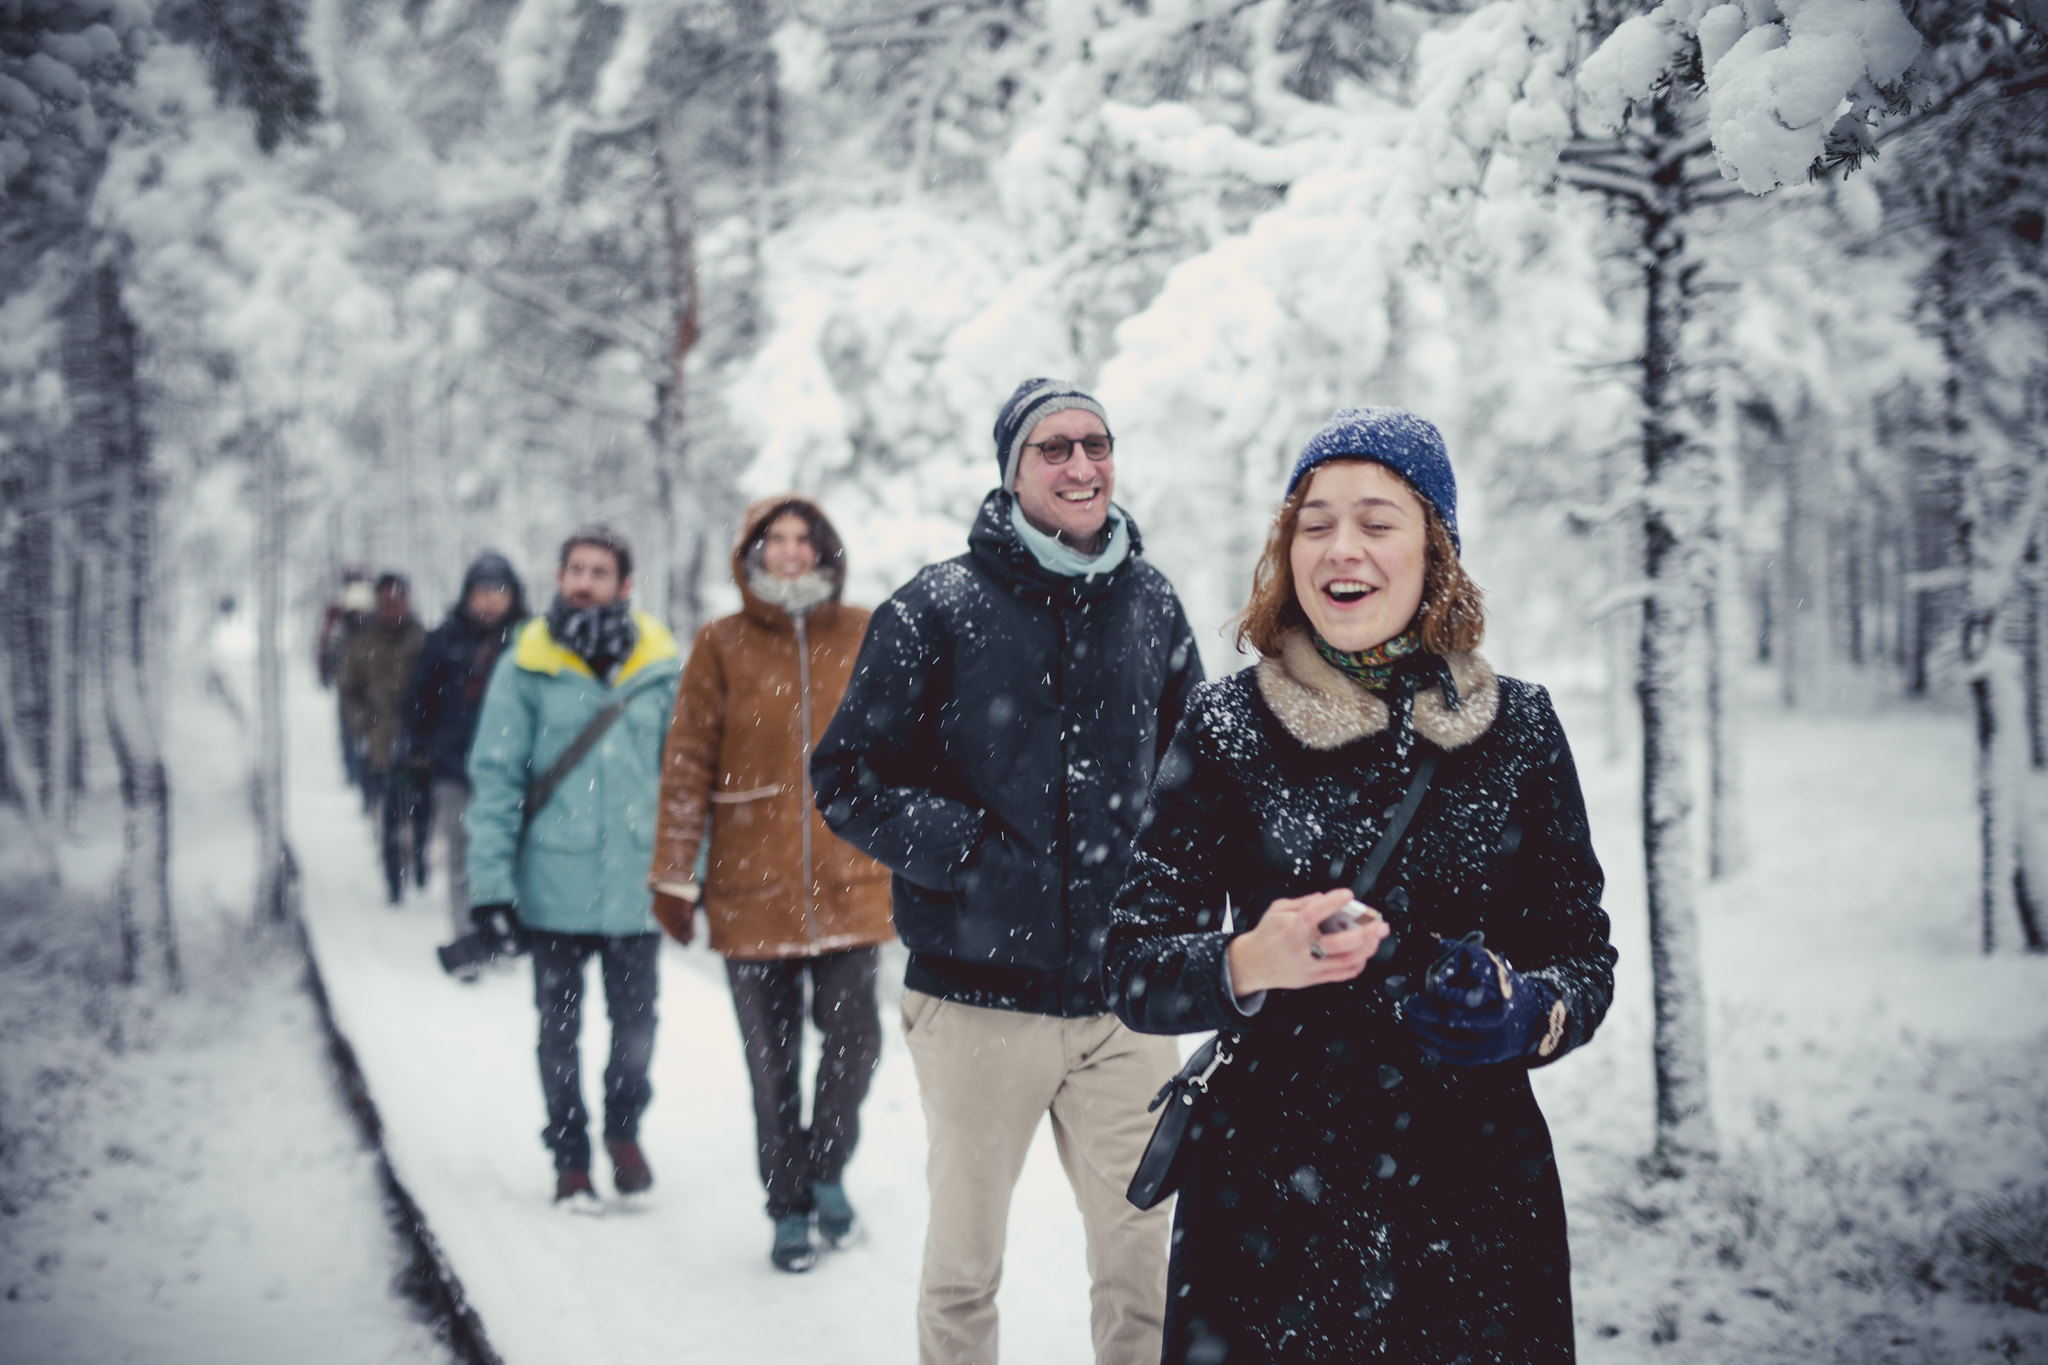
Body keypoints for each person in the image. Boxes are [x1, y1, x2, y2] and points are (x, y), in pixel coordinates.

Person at [1101, 407, 1617, 1364]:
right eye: (1316, 520)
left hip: (1473, 1205)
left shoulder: (1519, 730)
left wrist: (1525, 1007)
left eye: (1378, 521)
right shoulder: (1227, 727)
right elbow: (1130, 964)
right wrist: (1249, 958)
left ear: (1436, 548)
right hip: (1263, 1201)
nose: (1343, 547)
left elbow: (1583, 954)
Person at [813, 379, 1205, 1365]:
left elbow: (1193, 776)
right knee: (963, 1271)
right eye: (1054, 449)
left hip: (1123, 1004)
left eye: (1096, 444)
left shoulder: (1151, 603)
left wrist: (1189, 910)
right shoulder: (937, 607)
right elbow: (844, 773)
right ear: (1013, 471)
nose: (1081, 465)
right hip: (977, 1002)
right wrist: (965, 854)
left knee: (1143, 1267)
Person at [648, 496, 894, 1273]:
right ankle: (787, 1205)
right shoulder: (720, 644)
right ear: (752, 554)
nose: (790, 552)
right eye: (774, 539)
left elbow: (905, 744)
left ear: (825, 551)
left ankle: (827, 1169)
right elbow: (687, 759)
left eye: (803, 539)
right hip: (750, 890)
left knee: (856, 1044)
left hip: (852, 884)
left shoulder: (862, 631)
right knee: (771, 1061)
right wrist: (673, 872)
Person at [465, 527, 680, 1210]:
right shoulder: (525, 663)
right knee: (558, 1031)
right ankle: (569, 1156)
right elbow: (496, 777)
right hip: (552, 884)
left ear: (625, 586)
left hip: (634, 889)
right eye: (574, 569)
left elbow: (685, 778)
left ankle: (623, 1129)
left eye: (599, 571)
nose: (584, 580)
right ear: (559, 578)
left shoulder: (660, 664)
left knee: (637, 1030)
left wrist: (687, 870)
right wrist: (490, 885)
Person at [405, 553, 527, 966]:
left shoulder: (527, 641)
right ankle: (467, 939)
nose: (490, 601)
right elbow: (420, 699)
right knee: (461, 855)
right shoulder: (444, 640)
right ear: (468, 594)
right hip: (454, 768)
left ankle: (504, 934)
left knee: (505, 853)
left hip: (512, 770)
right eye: (482, 591)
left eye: (499, 591)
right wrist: (419, 747)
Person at [338, 572, 428, 900]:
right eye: (386, 601)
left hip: (421, 743)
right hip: (381, 743)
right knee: (390, 814)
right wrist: (366, 722)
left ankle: (420, 868)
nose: (393, 608)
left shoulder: (422, 639)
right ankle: (394, 882)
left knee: (422, 811)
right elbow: (348, 691)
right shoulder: (362, 643)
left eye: (398, 600)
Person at [319, 570, 374, 790]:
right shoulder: (339, 615)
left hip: (366, 685)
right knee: (350, 729)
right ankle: (354, 771)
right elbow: (329, 643)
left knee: (362, 729)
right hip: (349, 684)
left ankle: (362, 773)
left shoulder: (367, 614)